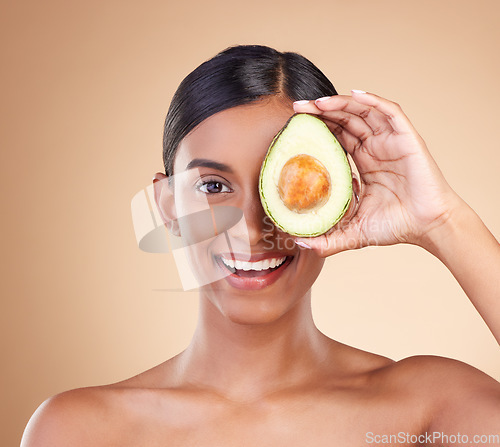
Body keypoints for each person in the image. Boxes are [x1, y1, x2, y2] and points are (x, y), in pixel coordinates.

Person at [21, 44, 500, 446]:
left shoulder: (428, 410)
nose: (252, 228)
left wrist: (442, 221)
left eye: (293, 186)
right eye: (213, 186)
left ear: (345, 200)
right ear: (166, 208)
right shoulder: (80, 429)